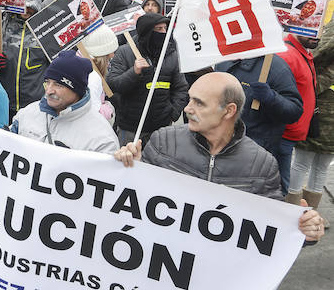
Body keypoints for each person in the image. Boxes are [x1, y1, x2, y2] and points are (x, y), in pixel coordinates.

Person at [114, 72, 324, 243]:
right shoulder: (163, 141)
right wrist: (130, 166)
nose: (187, 109)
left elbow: (272, 230)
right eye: (189, 100)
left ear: (229, 110)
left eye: (199, 103)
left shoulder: (261, 164)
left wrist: (304, 230)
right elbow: (137, 198)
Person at [12, 49, 119, 154]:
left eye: (58, 85)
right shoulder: (27, 113)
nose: (49, 91)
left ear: (76, 90)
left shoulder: (102, 139)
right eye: (47, 82)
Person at [106, 12, 188, 146]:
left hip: (161, 128)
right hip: (130, 128)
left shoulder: (171, 54)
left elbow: (181, 88)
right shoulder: (125, 52)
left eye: (165, 29)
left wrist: (172, 113)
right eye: (159, 29)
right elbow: (113, 85)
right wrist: (134, 72)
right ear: (148, 32)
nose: (164, 32)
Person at [216, 51, 302, 162]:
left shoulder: (277, 67)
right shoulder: (223, 59)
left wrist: (271, 98)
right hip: (219, 144)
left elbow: (294, 111)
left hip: (254, 151)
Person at [0, 0, 49, 118]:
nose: (26, 10)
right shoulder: (2, 24)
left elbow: (57, 63)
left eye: (30, 7)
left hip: (35, 106)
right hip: (4, 101)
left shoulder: (45, 29)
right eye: (22, 6)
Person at [292, 22, 334, 226]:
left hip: (322, 106)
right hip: (321, 106)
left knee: (305, 162)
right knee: (313, 164)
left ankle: (300, 215)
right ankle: (304, 215)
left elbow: (317, 54)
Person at [278, 31, 319, 200]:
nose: (316, 36)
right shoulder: (288, 55)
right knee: (281, 187)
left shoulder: (303, 52)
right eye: (312, 30)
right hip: (282, 135)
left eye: (320, 30)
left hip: (290, 134)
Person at [80, 24, 118, 124]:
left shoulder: (82, 66)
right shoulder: (92, 77)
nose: (112, 55)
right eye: (110, 51)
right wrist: (107, 111)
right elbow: (94, 115)